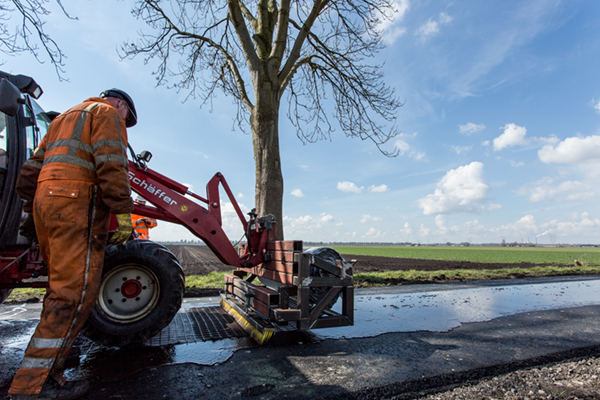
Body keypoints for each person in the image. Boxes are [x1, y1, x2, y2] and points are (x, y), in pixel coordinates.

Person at [9, 89, 138, 400]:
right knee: (73, 294)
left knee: (59, 288)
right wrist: (122, 210)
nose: (125, 123)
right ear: (119, 104)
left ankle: (51, 366)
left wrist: (31, 212)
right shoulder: (106, 115)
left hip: (47, 204)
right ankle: (34, 385)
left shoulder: (61, 119)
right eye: (127, 118)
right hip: (77, 206)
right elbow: (111, 163)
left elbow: (29, 172)